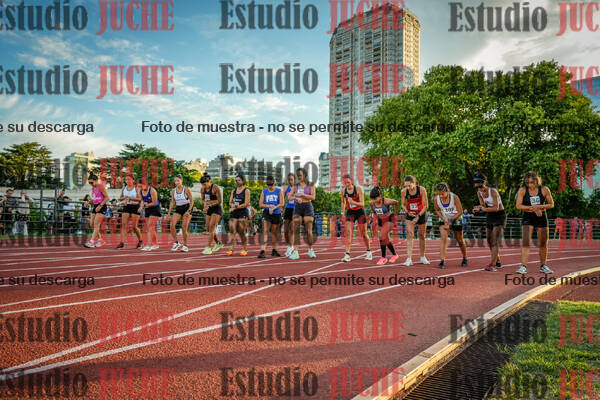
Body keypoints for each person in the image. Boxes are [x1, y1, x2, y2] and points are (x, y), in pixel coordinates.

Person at [516, 172, 554, 274]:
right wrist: (533, 208)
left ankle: (543, 266)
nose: (530, 185)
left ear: (537, 181)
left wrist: (539, 207)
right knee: (525, 242)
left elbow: (551, 204)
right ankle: (523, 266)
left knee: (543, 243)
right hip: (528, 217)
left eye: (532, 182)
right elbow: (518, 206)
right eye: (527, 183)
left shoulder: (545, 189)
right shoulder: (523, 190)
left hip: (541, 217)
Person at [472, 172, 505, 271]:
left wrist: (482, 209)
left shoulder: (493, 191)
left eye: (479, 183)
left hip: (499, 215)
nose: (477, 185)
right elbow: (483, 206)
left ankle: (493, 264)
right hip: (490, 215)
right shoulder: (479, 193)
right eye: (476, 183)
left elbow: (496, 208)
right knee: (489, 240)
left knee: (494, 240)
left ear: (484, 182)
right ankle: (498, 261)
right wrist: (478, 208)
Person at [433, 183, 468, 269]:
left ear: (447, 191)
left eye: (442, 194)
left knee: (459, 240)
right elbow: (437, 210)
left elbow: (460, 211)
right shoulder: (436, 199)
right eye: (439, 194)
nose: (441, 196)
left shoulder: (454, 197)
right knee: (443, 239)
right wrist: (443, 218)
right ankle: (442, 261)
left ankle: (465, 257)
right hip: (444, 219)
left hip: (456, 218)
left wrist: (450, 220)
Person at [340, 174, 372, 262]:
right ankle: (347, 254)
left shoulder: (358, 189)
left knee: (363, 234)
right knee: (348, 232)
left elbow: (362, 204)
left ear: (352, 181)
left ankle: (369, 251)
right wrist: (342, 213)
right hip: (350, 212)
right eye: (345, 182)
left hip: (360, 212)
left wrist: (353, 201)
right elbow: (343, 202)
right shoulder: (343, 191)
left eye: (348, 182)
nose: (346, 184)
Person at [400, 176, 430, 266]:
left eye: (409, 185)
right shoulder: (404, 191)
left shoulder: (422, 190)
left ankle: (422, 257)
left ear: (414, 183)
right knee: (410, 234)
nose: (408, 188)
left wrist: (418, 216)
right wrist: (407, 212)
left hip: (421, 213)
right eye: (406, 186)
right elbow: (403, 204)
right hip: (410, 214)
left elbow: (426, 206)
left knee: (422, 235)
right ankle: (409, 258)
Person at [288, 168, 316, 260]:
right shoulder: (295, 186)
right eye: (298, 176)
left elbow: (313, 197)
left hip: (308, 206)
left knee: (309, 231)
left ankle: (310, 249)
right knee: (296, 229)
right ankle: (296, 252)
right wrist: (296, 198)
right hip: (298, 207)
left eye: (300, 175)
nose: (299, 177)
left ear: (305, 175)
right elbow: (289, 197)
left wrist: (302, 195)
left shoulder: (310, 184)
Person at [369, 186, 400, 265]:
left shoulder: (386, 201)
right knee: (385, 239)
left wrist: (396, 215)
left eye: (375, 198)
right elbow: (374, 212)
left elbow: (396, 202)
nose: (374, 200)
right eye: (372, 199)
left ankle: (383, 257)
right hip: (380, 220)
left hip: (389, 219)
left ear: (380, 196)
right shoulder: (371, 203)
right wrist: (375, 220)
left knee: (382, 236)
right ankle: (394, 255)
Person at [258, 175, 284, 258]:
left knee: (274, 232)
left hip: (276, 213)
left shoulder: (279, 191)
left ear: (274, 182)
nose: (269, 186)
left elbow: (282, 203)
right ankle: (262, 251)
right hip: (267, 213)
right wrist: (269, 206)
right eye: (268, 184)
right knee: (265, 231)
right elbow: (260, 204)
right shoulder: (264, 191)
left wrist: (274, 207)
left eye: (271, 184)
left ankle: (274, 250)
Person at [225, 174, 250, 256]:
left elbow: (246, 204)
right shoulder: (233, 191)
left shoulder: (246, 191)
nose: (237, 182)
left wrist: (235, 207)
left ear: (243, 181)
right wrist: (232, 205)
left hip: (242, 212)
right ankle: (231, 249)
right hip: (234, 212)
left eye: (239, 180)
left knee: (242, 231)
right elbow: (230, 202)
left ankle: (244, 249)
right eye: (236, 180)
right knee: (232, 230)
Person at [167, 174, 193, 252]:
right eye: (175, 181)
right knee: (172, 225)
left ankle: (185, 245)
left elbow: (192, 201)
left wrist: (189, 211)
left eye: (178, 181)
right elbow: (172, 202)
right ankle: (176, 242)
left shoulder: (186, 189)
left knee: (184, 227)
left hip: (186, 208)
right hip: (178, 208)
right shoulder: (173, 191)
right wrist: (169, 212)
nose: (176, 182)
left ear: (182, 181)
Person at [116, 174, 143, 249]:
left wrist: (130, 198)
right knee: (124, 225)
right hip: (126, 206)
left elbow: (139, 199)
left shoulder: (137, 188)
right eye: (126, 179)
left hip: (135, 206)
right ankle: (122, 242)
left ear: (133, 180)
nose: (127, 181)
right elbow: (120, 198)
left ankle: (140, 240)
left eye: (129, 179)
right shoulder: (124, 188)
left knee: (134, 227)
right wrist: (124, 198)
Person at [85, 174, 109, 248]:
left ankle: (92, 241)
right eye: (89, 183)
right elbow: (95, 199)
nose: (91, 184)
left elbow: (107, 198)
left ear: (96, 181)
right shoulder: (93, 188)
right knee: (91, 224)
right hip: (95, 206)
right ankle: (100, 239)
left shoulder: (100, 187)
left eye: (92, 182)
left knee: (96, 224)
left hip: (101, 206)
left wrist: (100, 205)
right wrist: (88, 202)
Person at [138, 179, 161, 251]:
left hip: (155, 209)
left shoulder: (152, 190)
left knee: (150, 226)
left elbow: (154, 202)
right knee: (150, 228)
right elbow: (142, 200)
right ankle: (155, 244)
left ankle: (149, 245)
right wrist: (141, 207)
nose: (140, 188)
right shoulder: (141, 191)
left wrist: (145, 205)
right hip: (147, 209)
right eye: (139, 186)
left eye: (141, 186)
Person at [282, 173, 296, 257]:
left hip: (295, 209)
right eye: (289, 180)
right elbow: (282, 197)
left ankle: (291, 246)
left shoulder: (297, 188)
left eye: (291, 179)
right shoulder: (286, 188)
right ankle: (289, 245)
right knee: (285, 230)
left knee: (292, 229)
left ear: (294, 180)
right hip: (288, 209)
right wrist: (281, 207)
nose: (290, 181)